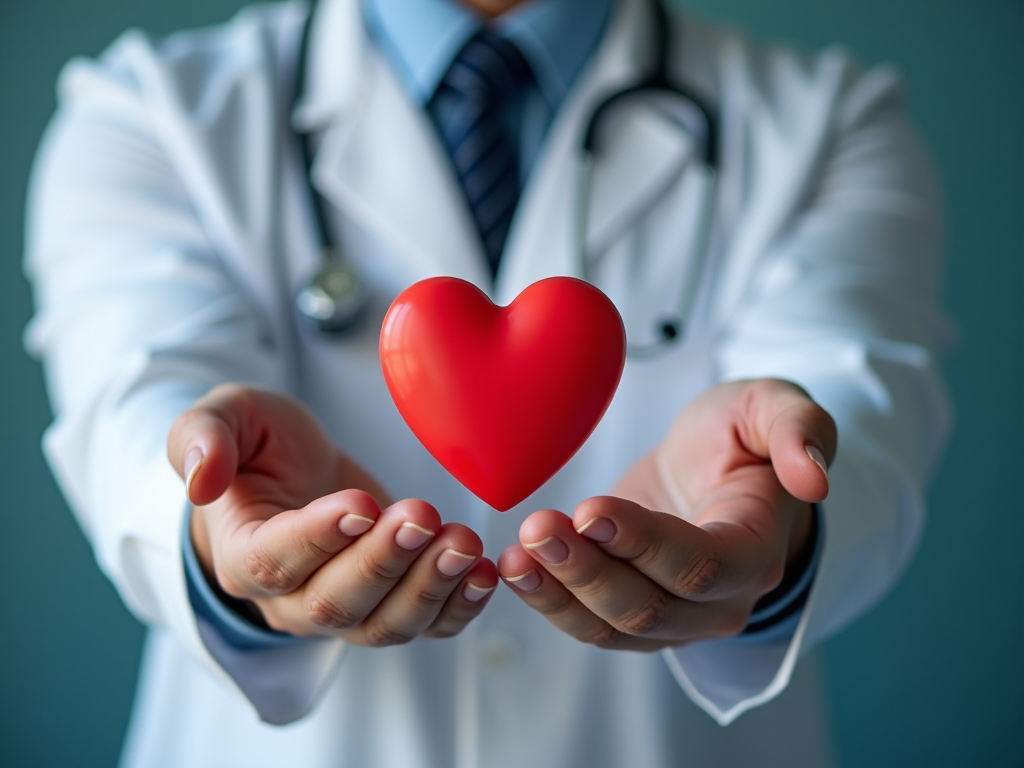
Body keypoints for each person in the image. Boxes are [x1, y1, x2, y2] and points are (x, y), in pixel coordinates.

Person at [24, 0, 950, 765]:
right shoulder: (146, 113)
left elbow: (859, 410)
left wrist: (781, 521)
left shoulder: (828, 124)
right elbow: (137, 406)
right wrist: (218, 527)